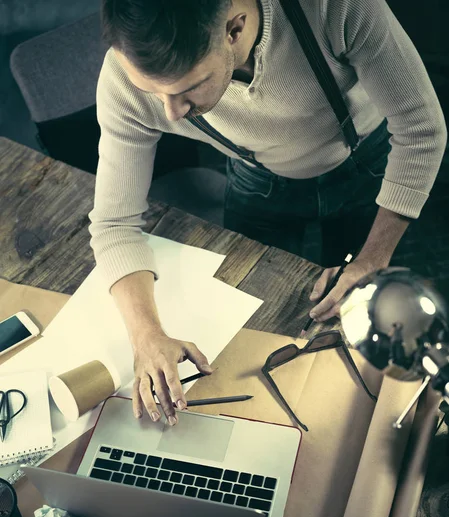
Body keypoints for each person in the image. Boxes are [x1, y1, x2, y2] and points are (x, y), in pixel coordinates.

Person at [90, 0, 447, 425]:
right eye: (154, 92)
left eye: (190, 87)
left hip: (367, 166)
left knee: (366, 317)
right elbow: (114, 224)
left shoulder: (337, 7)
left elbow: (420, 128)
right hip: (260, 181)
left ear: (234, 28)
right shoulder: (123, 81)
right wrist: (146, 336)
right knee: (256, 324)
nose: (171, 113)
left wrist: (373, 258)